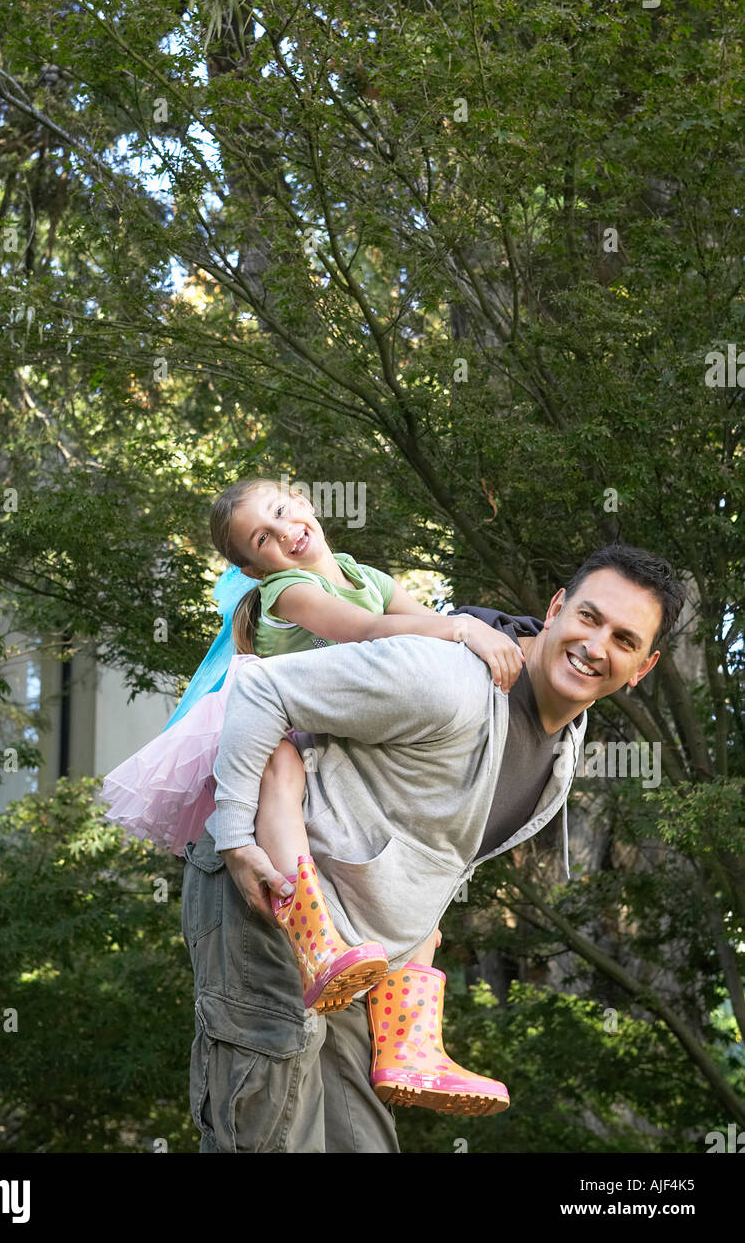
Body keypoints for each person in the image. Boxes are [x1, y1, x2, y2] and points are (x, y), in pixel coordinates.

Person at [183, 539, 685, 1152]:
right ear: (557, 608)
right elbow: (260, 689)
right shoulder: (449, 680)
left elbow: (440, 843)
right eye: (589, 616)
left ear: (643, 668)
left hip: (357, 954)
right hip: (271, 888)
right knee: (271, 1127)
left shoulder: (563, 751)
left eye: (624, 640)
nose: (597, 646)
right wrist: (236, 840)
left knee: (359, 1141)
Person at [103, 477, 525, 1113]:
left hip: (340, 738)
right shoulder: (289, 591)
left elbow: (412, 631)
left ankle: (412, 1048)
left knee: (424, 914)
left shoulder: (366, 573)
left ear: (302, 501)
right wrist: (466, 627)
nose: (284, 535)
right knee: (284, 770)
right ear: (254, 568)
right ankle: (316, 941)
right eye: (262, 540)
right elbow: (369, 631)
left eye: (281, 513)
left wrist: (459, 642)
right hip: (273, 720)